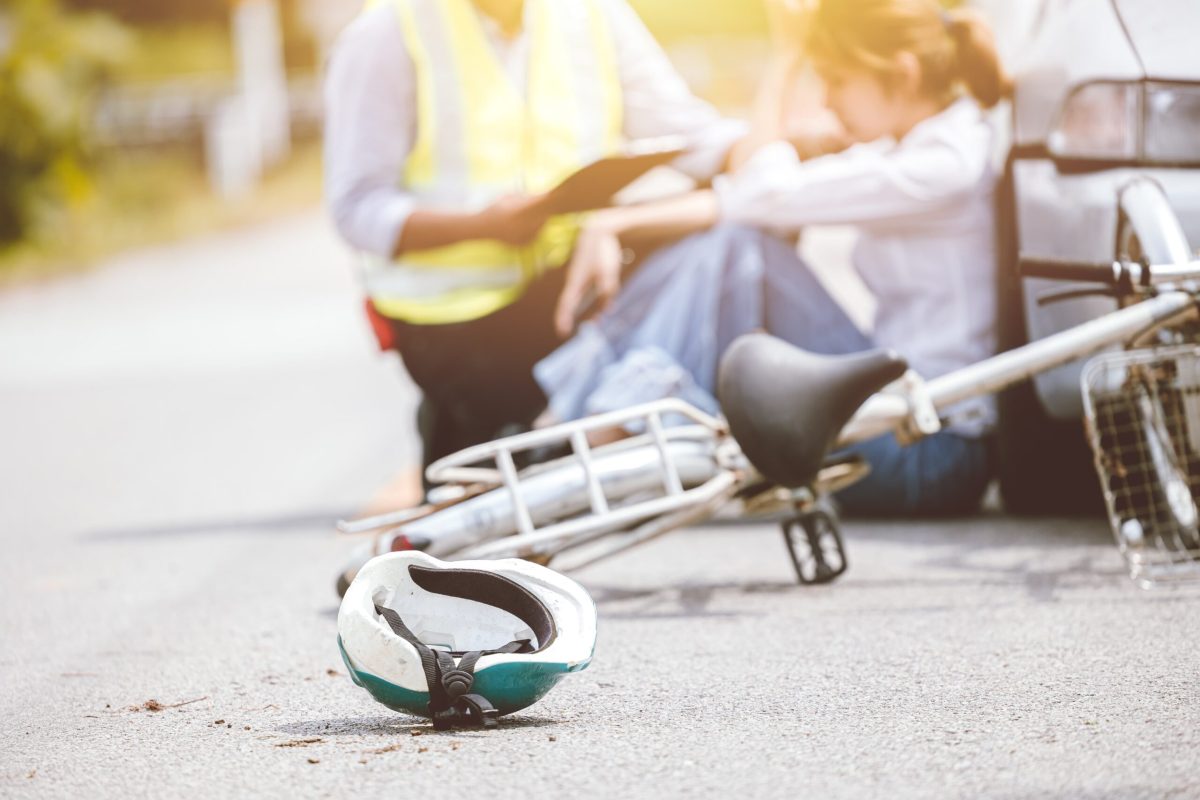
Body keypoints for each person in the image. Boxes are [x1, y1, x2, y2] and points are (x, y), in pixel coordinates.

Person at [536, 0, 1011, 515]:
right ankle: (599, 423)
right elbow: (753, 194)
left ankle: (599, 427)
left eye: (837, 80)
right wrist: (611, 223)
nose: (828, 100)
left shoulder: (945, 165)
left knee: (742, 245)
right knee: (725, 246)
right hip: (895, 428)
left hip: (928, 457)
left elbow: (757, 194)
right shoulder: (917, 148)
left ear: (902, 74)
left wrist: (785, 57)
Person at [323, 0, 748, 497]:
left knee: (724, 238)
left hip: (567, 296)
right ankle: (577, 427)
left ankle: (583, 425)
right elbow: (356, 208)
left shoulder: (593, 14)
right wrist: (481, 226)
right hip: (456, 330)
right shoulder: (388, 30)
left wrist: (778, 154)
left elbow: (690, 134)